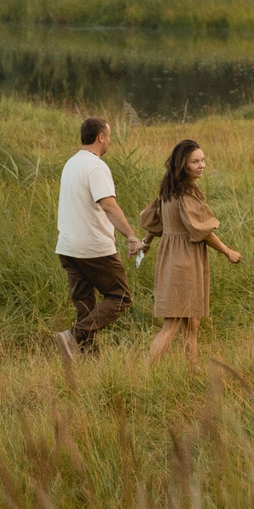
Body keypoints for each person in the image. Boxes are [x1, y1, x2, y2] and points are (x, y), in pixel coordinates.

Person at [143, 138, 242, 365]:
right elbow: (203, 231)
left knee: (193, 320)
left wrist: (146, 244)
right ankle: (147, 371)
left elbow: (154, 223)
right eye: (194, 162)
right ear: (182, 165)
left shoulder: (169, 191)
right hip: (184, 260)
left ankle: (192, 370)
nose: (201, 165)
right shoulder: (186, 195)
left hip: (173, 257)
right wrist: (227, 251)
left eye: (203, 160)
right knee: (173, 322)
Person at [55, 116, 144, 361]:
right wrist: (132, 236)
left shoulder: (71, 163)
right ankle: (74, 335)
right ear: (101, 137)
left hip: (67, 247)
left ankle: (90, 362)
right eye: (109, 136)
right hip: (93, 247)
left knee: (85, 307)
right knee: (121, 296)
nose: (110, 141)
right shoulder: (96, 166)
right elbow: (109, 205)